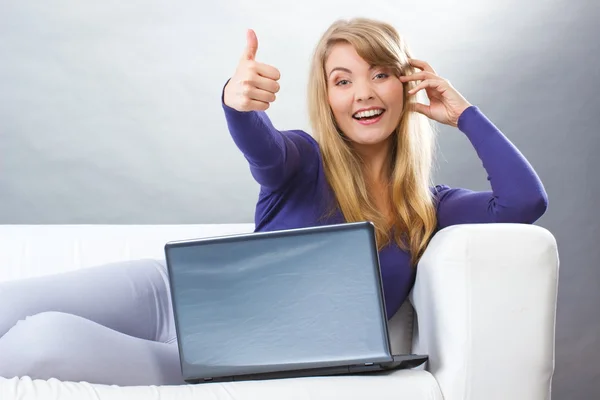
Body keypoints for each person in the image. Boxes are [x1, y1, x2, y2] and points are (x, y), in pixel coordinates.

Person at [0, 17, 547, 386]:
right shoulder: (302, 161)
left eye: (381, 75)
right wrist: (236, 102)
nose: (363, 93)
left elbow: (525, 201)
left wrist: (463, 114)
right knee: (9, 306)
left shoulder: (428, 208)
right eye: (343, 80)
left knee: (41, 338)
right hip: (167, 295)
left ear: (405, 87)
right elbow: (259, 142)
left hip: (227, 357)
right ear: (326, 96)